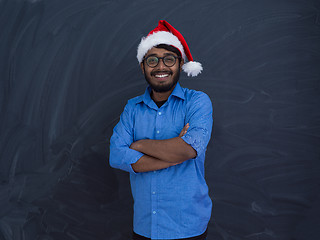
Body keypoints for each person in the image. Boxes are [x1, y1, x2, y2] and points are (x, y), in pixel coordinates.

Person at [109, 20, 213, 240]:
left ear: (180, 63)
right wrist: (173, 155)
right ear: (143, 66)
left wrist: (140, 145)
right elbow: (117, 155)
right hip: (145, 226)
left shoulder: (197, 102)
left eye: (169, 59)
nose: (161, 67)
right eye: (152, 60)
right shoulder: (132, 108)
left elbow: (189, 149)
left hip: (188, 227)